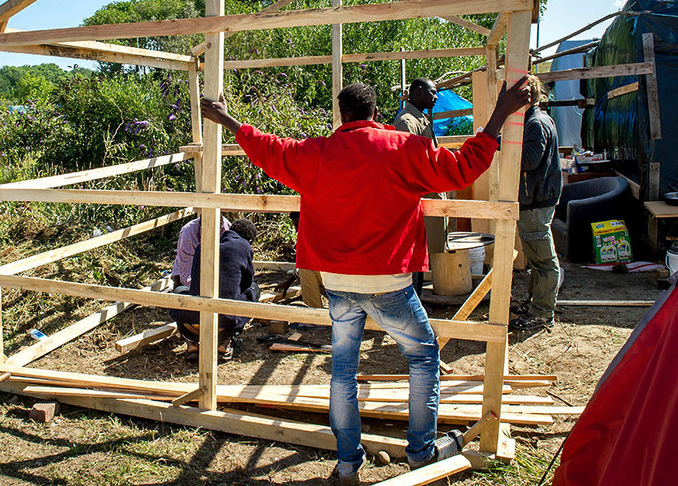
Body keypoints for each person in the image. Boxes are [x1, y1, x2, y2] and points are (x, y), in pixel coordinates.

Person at [200, 79, 529, 485]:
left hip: (337, 281)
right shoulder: (403, 148)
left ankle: (347, 465)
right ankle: (422, 453)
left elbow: (267, 148)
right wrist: (500, 111)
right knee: (423, 358)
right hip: (388, 280)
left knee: (342, 371)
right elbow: (464, 167)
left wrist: (224, 118)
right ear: (375, 113)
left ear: (343, 115)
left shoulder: (315, 153)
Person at [509, 75, 563, 331]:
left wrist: (503, 147)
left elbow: (530, 160)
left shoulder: (535, 123)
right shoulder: (537, 119)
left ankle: (541, 313)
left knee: (544, 261)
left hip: (537, 199)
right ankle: (534, 304)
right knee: (536, 256)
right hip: (538, 197)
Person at [170, 218, 260, 363]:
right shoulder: (244, 246)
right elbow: (246, 284)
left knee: (179, 291)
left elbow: (191, 280)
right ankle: (226, 343)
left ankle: (191, 344)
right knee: (253, 290)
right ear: (248, 240)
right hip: (226, 324)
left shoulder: (202, 246)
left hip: (192, 323)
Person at [394, 78, 448, 292]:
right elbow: (409, 166)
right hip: (420, 200)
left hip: (428, 196)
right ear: (417, 92)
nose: (435, 97)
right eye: (432, 92)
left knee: (422, 257)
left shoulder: (420, 119)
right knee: (415, 257)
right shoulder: (407, 122)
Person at [170, 214, 232, 288]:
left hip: (216, 272)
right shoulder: (188, 234)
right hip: (188, 275)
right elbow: (186, 272)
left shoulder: (226, 228)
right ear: (201, 226)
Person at [290, 211, 327, 308]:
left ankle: (315, 314)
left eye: (298, 225)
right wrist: (288, 282)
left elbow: (306, 265)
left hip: (334, 282)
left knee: (305, 269)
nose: (296, 230)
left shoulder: (312, 237)